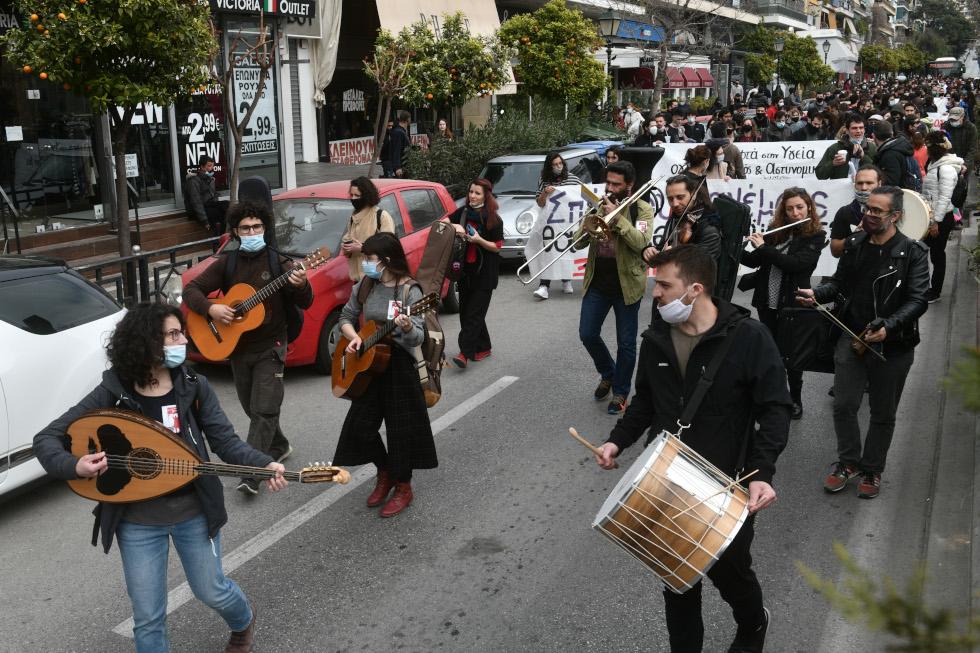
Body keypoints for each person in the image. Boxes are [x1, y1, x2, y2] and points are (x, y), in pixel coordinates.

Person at [33, 302, 288, 652]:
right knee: (148, 617)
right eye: (173, 334)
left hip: (193, 511)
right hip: (136, 520)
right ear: (146, 342)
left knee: (210, 589)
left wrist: (263, 464)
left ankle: (243, 618)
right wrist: (73, 465)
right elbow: (46, 438)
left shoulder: (194, 386)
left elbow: (225, 442)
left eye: (180, 332)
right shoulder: (112, 393)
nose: (183, 339)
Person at [594, 244, 790, 653]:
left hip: (727, 483)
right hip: (666, 478)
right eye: (655, 285)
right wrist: (617, 441)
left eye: (664, 285)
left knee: (730, 572)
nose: (656, 294)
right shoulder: (656, 338)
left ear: (694, 289)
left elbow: (775, 409)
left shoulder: (749, 338)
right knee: (676, 579)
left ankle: (754, 623)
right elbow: (646, 402)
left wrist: (763, 474)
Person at [797, 186, 929, 499]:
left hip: (893, 346)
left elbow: (918, 300)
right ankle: (848, 462)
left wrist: (889, 326)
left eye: (876, 211)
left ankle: (872, 468)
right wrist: (817, 294)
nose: (868, 215)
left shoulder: (913, 252)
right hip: (850, 338)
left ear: (895, 216)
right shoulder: (855, 243)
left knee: (883, 412)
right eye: (867, 209)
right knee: (844, 405)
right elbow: (839, 285)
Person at [183, 200, 313, 495]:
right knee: (251, 407)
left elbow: (305, 302)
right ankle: (278, 445)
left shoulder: (279, 263)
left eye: (257, 226)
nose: (252, 231)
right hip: (238, 348)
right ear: (236, 232)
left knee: (264, 409)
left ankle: (251, 473)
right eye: (245, 228)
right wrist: (211, 310)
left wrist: (302, 284)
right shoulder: (227, 263)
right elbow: (191, 290)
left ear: (265, 229)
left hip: (272, 346)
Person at [332, 232, 438, 517]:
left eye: (370, 258)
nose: (365, 263)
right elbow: (346, 316)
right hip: (369, 367)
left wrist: (405, 326)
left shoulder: (410, 292)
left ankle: (403, 486)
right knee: (360, 428)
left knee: (400, 431)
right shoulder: (367, 283)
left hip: (399, 367)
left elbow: (417, 339)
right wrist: (354, 337)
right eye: (364, 257)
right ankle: (385, 472)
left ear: (387, 260)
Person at [572, 160, 652, 415]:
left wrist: (618, 219)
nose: (610, 188)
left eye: (616, 184)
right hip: (598, 283)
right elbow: (577, 244)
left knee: (626, 343)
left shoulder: (642, 210)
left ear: (629, 186)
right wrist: (591, 223)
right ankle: (609, 373)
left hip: (627, 284)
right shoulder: (598, 204)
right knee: (587, 334)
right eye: (608, 182)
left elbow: (642, 242)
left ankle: (620, 392)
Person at [740, 187, 828, 419]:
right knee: (770, 351)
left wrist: (764, 247)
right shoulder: (775, 230)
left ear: (808, 206)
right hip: (767, 299)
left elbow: (795, 264)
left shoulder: (816, 235)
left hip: (792, 301)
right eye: (789, 208)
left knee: (791, 354)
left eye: (799, 207)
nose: (795, 213)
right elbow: (753, 261)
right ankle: (772, 396)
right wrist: (736, 245)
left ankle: (795, 399)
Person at [448, 179, 503, 368]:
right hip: (465, 272)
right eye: (470, 192)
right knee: (468, 314)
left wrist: (479, 240)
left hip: (485, 275)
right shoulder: (463, 213)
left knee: (473, 315)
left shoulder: (493, 219)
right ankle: (484, 347)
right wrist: (454, 227)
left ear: (485, 196)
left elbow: (496, 247)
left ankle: (464, 353)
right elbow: (443, 222)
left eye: (477, 193)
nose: (472, 196)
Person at [920, 131, 963, 303]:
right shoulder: (936, 165)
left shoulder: (945, 168)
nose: (926, 150)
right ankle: (927, 288)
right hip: (933, 218)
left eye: (928, 147)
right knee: (928, 253)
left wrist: (936, 222)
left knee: (937, 255)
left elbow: (945, 197)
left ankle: (935, 291)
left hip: (941, 219)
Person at [532, 152, 580, 299]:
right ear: (549, 166)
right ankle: (544, 286)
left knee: (565, 250)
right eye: (554, 165)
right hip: (550, 223)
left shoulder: (572, 178)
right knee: (549, 252)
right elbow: (539, 203)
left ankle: (566, 280)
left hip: (567, 222)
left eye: (560, 164)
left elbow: (582, 195)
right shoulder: (543, 180)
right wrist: (545, 192)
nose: (558, 167)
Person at [646, 174, 723, 263]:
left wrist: (670, 257)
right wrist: (649, 251)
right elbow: (663, 247)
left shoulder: (709, 230)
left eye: (680, 197)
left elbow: (701, 268)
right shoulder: (675, 218)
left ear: (694, 194)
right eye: (670, 199)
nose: (675, 204)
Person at [340, 177, 396, 281]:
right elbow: (347, 243)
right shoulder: (353, 218)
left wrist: (363, 248)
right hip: (358, 280)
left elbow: (389, 247)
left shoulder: (381, 216)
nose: (353, 198)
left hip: (377, 277)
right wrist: (347, 248)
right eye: (351, 195)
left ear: (366, 196)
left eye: (357, 195)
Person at [829, 164, 883, 258]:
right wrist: (855, 236)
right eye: (860, 183)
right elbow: (835, 252)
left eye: (869, 183)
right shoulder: (844, 212)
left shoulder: (889, 212)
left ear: (879, 184)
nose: (864, 188)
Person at [815, 114, 878, 180]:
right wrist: (833, 164)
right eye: (854, 128)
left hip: (865, 189)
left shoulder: (872, 148)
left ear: (864, 130)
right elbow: (819, 175)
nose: (858, 131)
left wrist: (863, 157)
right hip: (841, 189)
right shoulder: (835, 148)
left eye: (861, 128)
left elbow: (879, 173)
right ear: (847, 131)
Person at [184, 155, 228, 234]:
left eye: (213, 166)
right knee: (220, 213)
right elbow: (196, 201)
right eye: (209, 166)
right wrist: (204, 220)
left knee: (227, 205)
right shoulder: (194, 180)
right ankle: (220, 237)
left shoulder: (210, 178)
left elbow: (214, 196)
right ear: (202, 167)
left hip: (208, 205)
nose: (212, 168)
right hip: (195, 211)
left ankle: (224, 235)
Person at [870, 121, 913, 187]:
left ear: (873, 136)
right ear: (892, 134)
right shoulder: (897, 148)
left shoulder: (889, 154)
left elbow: (891, 182)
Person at [390, 110, 412, 178]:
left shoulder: (400, 131)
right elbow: (397, 150)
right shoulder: (399, 132)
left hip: (403, 165)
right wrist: (398, 167)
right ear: (408, 120)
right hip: (401, 167)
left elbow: (403, 147)